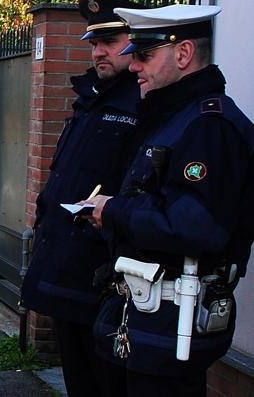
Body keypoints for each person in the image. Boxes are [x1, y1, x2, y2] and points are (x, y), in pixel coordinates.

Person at [81, 5, 253, 396]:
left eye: (143, 56)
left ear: (183, 53)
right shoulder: (172, 117)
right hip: (143, 321)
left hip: (170, 324)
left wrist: (114, 211)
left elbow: (195, 227)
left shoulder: (209, 127)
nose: (135, 67)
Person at [19, 1, 145, 395]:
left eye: (110, 41)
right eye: (94, 42)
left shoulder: (142, 104)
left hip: (102, 282)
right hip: (65, 272)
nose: (98, 51)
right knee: (79, 380)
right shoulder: (91, 98)